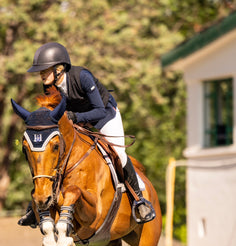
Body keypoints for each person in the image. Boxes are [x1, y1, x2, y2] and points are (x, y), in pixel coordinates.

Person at [18, 42, 156, 228]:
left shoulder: (82, 77)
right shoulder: (50, 87)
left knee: (119, 154)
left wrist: (75, 117)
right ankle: (36, 207)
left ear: (59, 69)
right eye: (40, 71)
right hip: (76, 120)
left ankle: (139, 200)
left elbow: (98, 110)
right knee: (53, 153)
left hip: (105, 115)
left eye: (45, 70)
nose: (41, 74)